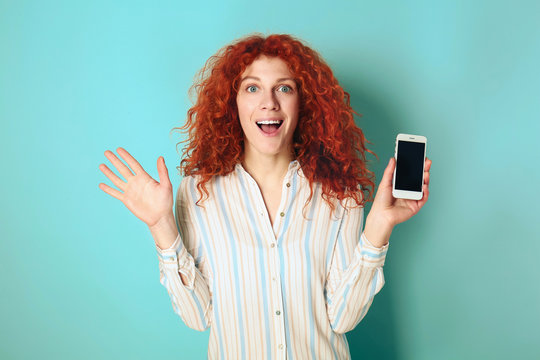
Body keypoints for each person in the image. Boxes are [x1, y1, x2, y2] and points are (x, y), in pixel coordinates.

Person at [99, 33, 431, 360]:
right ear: (234, 102)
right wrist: (162, 227)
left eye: (284, 88)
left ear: (304, 103)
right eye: (252, 87)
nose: (269, 101)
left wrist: (378, 227)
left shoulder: (340, 193)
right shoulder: (198, 191)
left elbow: (342, 317)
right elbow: (197, 317)